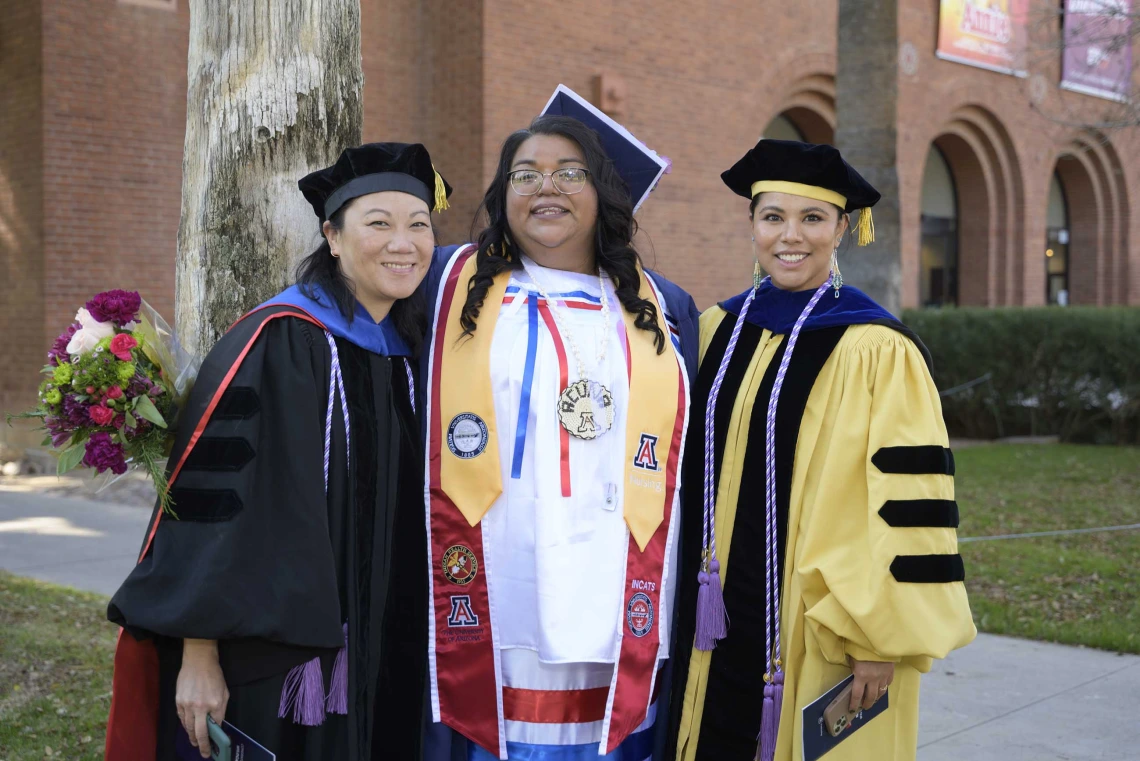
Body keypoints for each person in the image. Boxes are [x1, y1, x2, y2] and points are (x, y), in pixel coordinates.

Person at [104, 142, 453, 761]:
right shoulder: (280, 341)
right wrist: (200, 656)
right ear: (333, 237)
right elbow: (210, 512)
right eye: (379, 223)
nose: (404, 242)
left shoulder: (414, 352)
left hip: (390, 658)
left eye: (418, 225)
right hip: (280, 671)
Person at [665, 139, 976, 761]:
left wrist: (878, 639)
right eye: (772, 217)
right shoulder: (715, 330)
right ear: (751, 224)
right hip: (708, 621)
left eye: (812, 218)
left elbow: (909, 502)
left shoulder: (877, 350)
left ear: (842, 229)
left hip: (820, 623)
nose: (791, 236)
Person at [420, 98, 699, 761]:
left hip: (616, 590)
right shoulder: (444, 288)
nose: (545, 186)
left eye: (569, 172)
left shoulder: (665, 307)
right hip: (492, 591)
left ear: (603, 194)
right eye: (525, 173)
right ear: (502, 193)